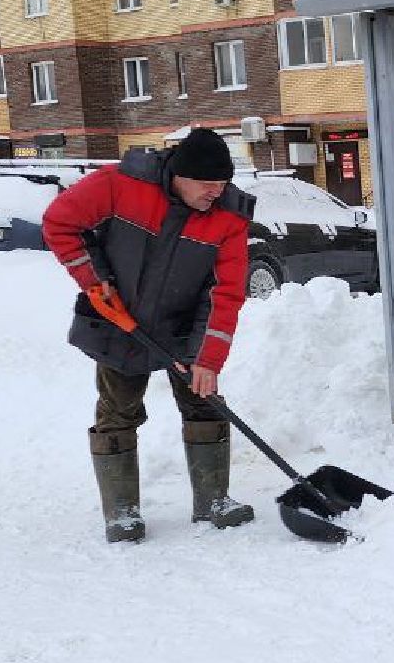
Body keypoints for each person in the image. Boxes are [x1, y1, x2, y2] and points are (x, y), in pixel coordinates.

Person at [41, 128, 257, 543]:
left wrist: (207, 359)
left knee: (206, 403)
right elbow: (59, 223)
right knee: (117, 410)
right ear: (180, 173)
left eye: (223, 184)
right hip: (122, 321)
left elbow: (226, 293)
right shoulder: (120, 185)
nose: (217, 192)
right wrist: (93, 280)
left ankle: (212, 500)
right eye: (208, 184)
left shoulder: (228, 219)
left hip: (183, 329)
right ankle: (122, 512)